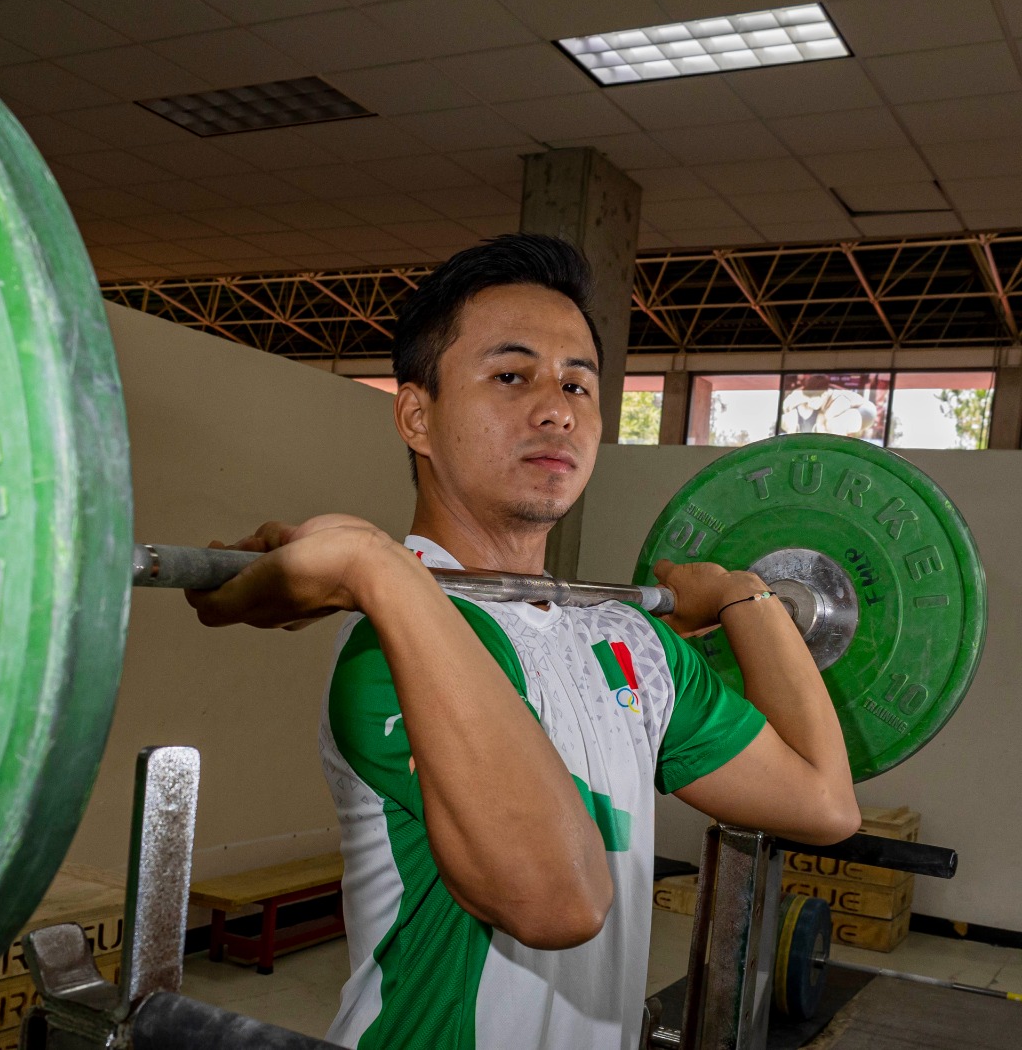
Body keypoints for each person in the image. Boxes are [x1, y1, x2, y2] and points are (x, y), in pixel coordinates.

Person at [184, 234, 859, 1050]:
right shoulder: (391, 648)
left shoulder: (627, 643)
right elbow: (560, 902)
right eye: (512, 376)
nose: (557, 408)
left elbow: (823, 804)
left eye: (579, 382)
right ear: (416, 415)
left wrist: (747, 597)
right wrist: (379, 569)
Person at [779, 373, 878, 438]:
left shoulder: (837, 397)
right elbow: (786, 406)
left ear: (824, 394)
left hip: (866, 412)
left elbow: (830, 415)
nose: (811, 403)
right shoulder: (799, 394)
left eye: (814, 400)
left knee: (832, 424)